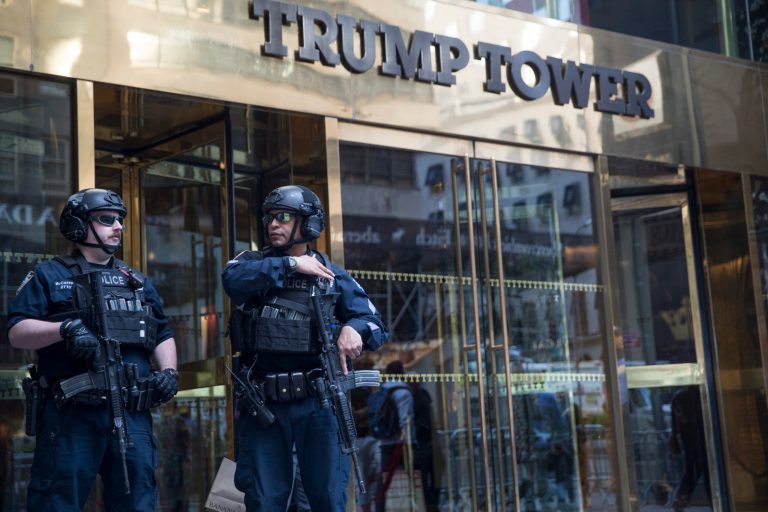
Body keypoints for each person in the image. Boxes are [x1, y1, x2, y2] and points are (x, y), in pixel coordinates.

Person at [7, 188, 178, 512]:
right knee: (56, 501)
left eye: (119, 221)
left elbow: (162, 333)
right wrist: (65, 329)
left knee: (138, 501)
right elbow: (17, 332)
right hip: (73, 415)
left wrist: (169, 372)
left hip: (131, 412)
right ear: (77, 226)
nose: (118, 227)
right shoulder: (50, 275)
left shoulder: (137, 281)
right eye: (106, 219)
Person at [222, 184, 389, 511]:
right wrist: (292, 266)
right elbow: (232, 280)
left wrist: (353, 330)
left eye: (283, 217)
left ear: (308, 224)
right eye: (270, 217)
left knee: (326, 497)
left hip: (318, 402)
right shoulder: (253, 264)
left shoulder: (331, 276)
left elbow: (375, 323)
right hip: (264, 404)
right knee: (263, 499)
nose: (273, 224)